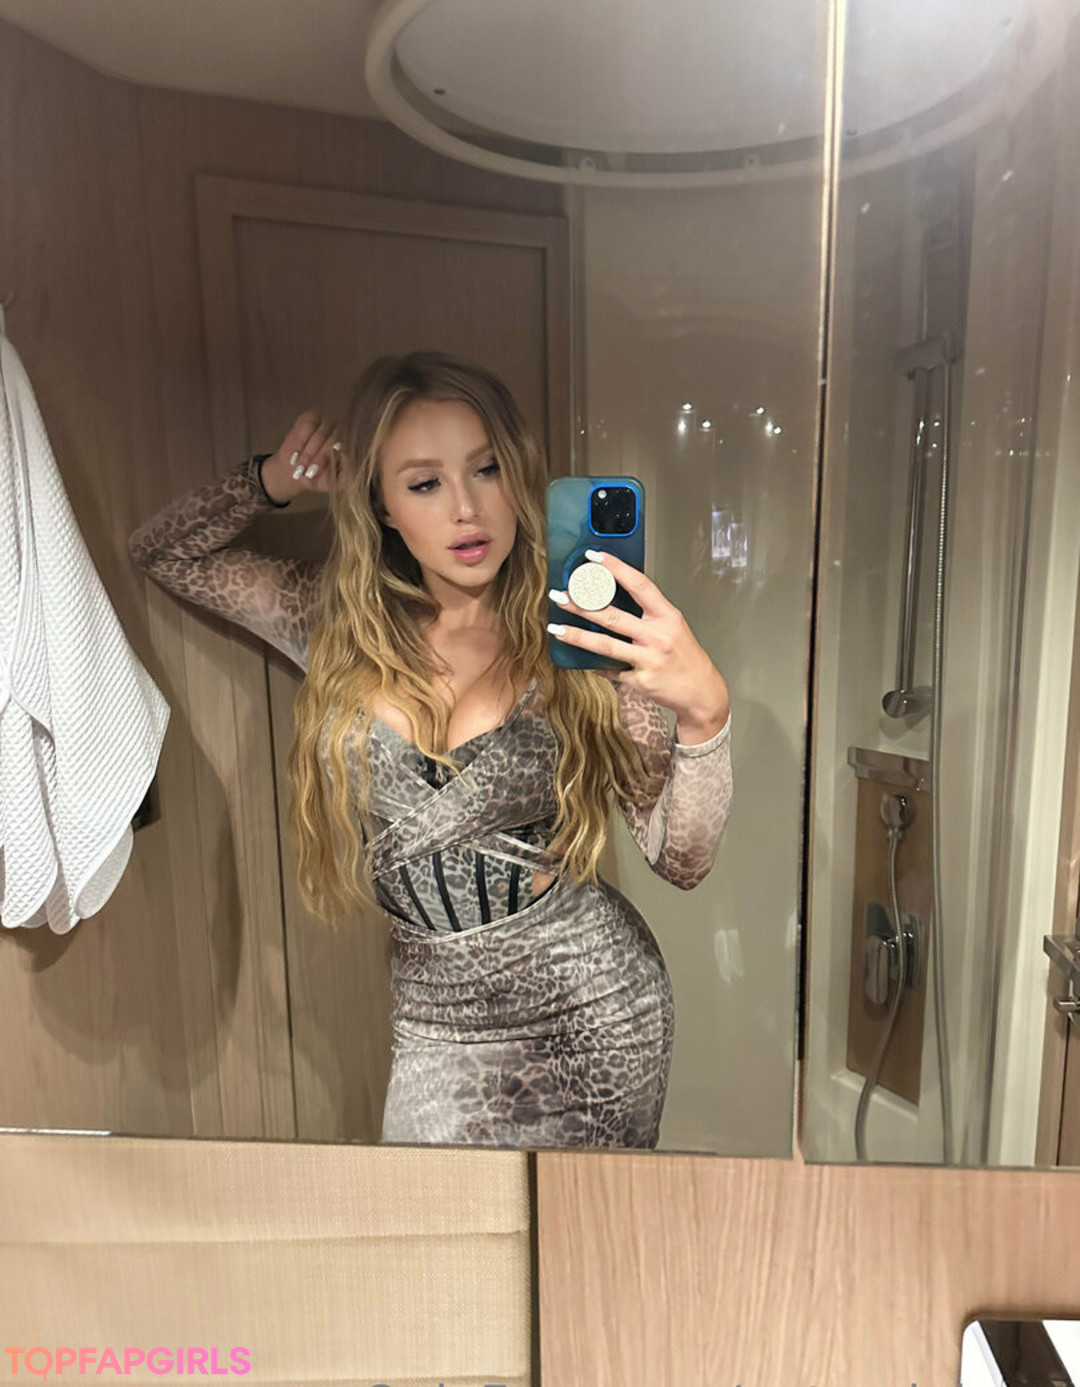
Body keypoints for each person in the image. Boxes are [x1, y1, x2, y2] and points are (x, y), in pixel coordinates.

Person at [128, 350, 733, 1150]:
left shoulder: (584, 635)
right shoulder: (334, 621)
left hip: (589, 1008)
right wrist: (272, 479)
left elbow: (680, 860)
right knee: (431, 1225)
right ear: (380, 504)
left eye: (486, 469)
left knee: (578, 1230)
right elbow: (162, 553)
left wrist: (705, 716)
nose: (466, 509)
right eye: (424, 483)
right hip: (434, 1023)